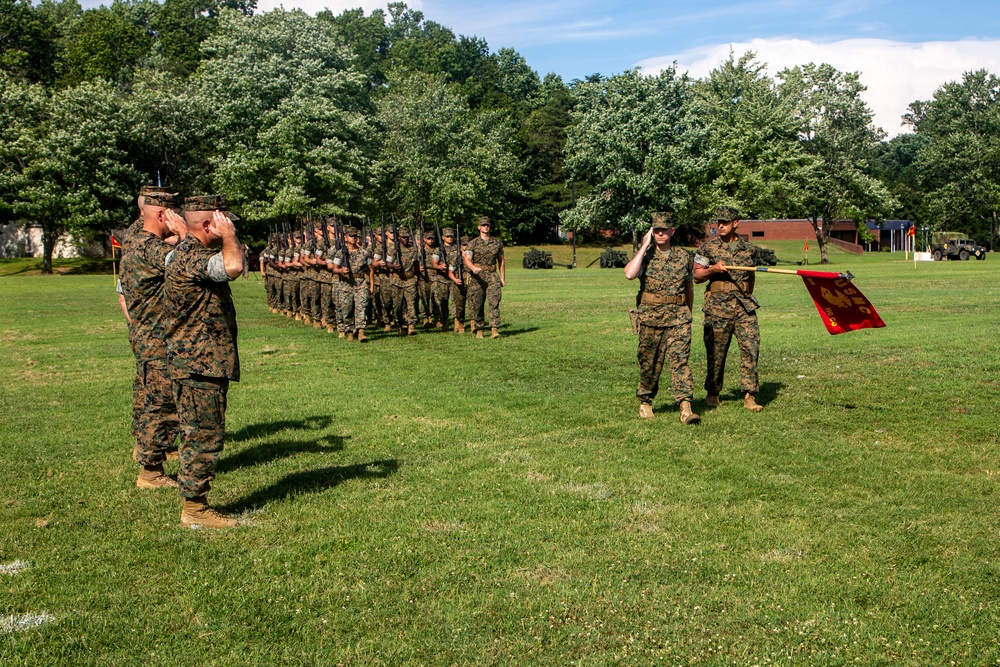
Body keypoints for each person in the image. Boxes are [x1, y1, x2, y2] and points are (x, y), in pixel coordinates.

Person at [164, 195, 244, 529]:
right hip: (199, 363)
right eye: (224, 220)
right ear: (208, 225)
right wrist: (228, 237)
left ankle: (195, 504)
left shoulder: (184, 253)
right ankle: (194, 510)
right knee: (203, 437)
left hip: (199, 362)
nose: (231, 225)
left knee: (198, 433)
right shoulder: (191, 257)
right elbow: (234, 267)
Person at [120, 189, 188, 485]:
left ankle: (144, 451)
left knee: (148, 395)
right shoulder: (151, 249)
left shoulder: (134, 239)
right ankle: (151, 471)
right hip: (157, 337)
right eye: (172, 214)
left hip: (143, 332)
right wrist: (185, 233)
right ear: (162, 215)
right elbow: (186, 261)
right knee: (161, 404)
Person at [624, 212, 699, 424]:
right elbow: (629, 274)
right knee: (649, 364)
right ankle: (646, 401)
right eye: (656, 230)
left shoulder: (684, 256)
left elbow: (689, 286)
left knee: (680, 362)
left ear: (672, 231)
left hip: (678, 318)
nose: (660, 233)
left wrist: (688, 313)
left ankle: (685, 407)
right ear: (651, 231)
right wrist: (644, 244)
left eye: (664, 230)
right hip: (651, 318)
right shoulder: (645, 257)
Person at [693, 207, 763, 412]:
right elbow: (696, 276)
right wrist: (713, 269)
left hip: (743, 306)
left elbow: (751, 276)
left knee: (751, 348)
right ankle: (713, 393)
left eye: (725, 222)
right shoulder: (708, 248)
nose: (720, 226)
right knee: (716, 352)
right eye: (718, 222)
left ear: (736, 223)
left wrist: (747, 294)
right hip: (718, 306)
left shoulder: (749, 249)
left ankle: (750, 395)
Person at [463, 216, 505, 339]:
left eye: (487, 225)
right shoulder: (473, 243)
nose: (486, 227)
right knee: (477, 304)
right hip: (477, 277)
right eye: (483, 225)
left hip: (492, 275)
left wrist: (502, 278)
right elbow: (467, 259)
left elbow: (501, 262)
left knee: (494, 303)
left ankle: (494, 329)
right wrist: (473, 268)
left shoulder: (497, 243)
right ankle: (479, 329)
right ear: (479, 227)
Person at [331, 226, 374, 341]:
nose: (354, 238)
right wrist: (341, 270)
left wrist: (371, 285)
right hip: (345, 284)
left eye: (355, 236)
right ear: (345, 238)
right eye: (351, 236)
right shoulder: (340, 253)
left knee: (361, 307)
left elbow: (370, 270)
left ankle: (361, 332)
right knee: (347, 309)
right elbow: (334, 268)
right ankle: (349, 331)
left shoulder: (365, 253)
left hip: (360, 283)